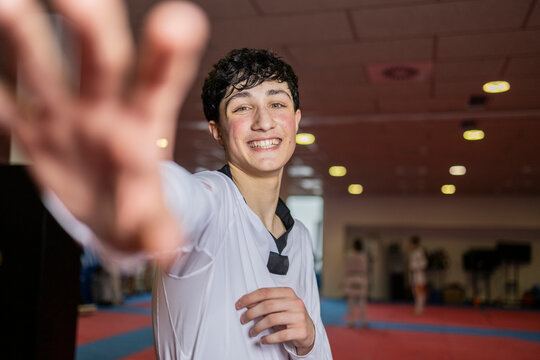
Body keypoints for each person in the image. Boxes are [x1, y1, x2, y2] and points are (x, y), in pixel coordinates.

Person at [0, 0, 332, 359]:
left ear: (296, 121)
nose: (263, 121)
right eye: (241, 107)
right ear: (217, 131)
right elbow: (179, 199)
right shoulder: (212, 202)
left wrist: (310, 338)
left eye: (277, 104)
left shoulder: (298, 236)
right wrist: (132, 199)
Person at [342, 238, 369, 327]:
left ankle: (351, 322)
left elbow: (345, 268)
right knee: (362, 301)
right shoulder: (363, 256)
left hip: (350, 277)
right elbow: (366, 269)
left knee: (351, 301)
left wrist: (343, 281)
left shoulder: (349, 255)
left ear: (353, 246)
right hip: (361, 277)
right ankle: (363, 322)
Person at [409, 235, 427, 315]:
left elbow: (424, 264)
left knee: (419, 292)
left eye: (411, 243)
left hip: (419, 274)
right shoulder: (413, 252)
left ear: (414, 243)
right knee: (415, 292)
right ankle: (417, 307)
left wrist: (415, 267)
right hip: (413, 275)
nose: (410, 245)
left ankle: (420, 309)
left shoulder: (420, 252)